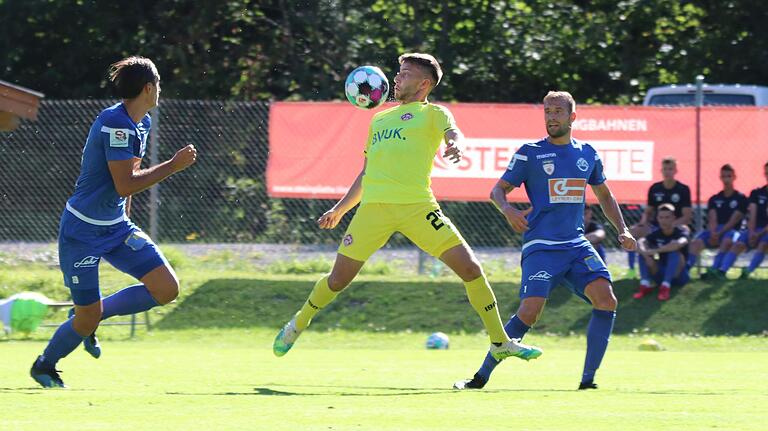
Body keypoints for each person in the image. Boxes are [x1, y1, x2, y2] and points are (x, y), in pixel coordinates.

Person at [272, 53, 540, 363]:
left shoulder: (434, 114)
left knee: (471, 269)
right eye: (398, 72)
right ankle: (298, 323)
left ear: (424, 83)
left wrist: (455, 145)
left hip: (418, 208)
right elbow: (366, 173)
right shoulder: (379, 118)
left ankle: (500, 342)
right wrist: (341, 209)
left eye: (406, 73)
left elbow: (454, 134)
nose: (397, 78)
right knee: (337, 281)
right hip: (373, 211)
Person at [30, 56, 197, 388]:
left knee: (166, 289)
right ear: (149, 88)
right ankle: (45, 366)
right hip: (82, 231)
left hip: (116, 227)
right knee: (86, 315)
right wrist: (173, 166)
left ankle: (93, 315)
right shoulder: (115, 123)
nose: (160, 89)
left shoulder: (142, 123)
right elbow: (125, 183)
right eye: (159, 83)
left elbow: (129, 178)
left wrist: (125, 218)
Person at [453, 91, 636, 391]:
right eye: (547, 112)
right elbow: (497, 191)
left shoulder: (587, 153)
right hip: (541, 246)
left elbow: (604, 195)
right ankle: (480, 377)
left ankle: (588, 382)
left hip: (576, 245)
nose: (551, 117)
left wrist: (623, 229)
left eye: (557, 112)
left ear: (572, 117)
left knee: (607, 299)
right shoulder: (530, 152)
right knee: (530, 312)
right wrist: (508, 210)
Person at [627, 158, 692, 278]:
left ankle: (684, 268)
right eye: (665, 169)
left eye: (670, 169)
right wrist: (642, 223)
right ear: (661, 171)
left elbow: (687, 216)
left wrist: (670, 226)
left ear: (675, 170)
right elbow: (648, 212)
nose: (667, 172)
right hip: (657, 226)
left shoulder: (683, 189)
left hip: (674, 226)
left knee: (686, 230)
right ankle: (631, 270)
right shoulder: (655, 188)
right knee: (631, 232)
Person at [687, 164, 747, 278]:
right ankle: (685, 270)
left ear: (734, 177)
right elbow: (712, 218)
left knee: (727, 241)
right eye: (724, 176)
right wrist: (713, 232)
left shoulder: (741, 198)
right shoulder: (714, 199)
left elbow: (734, 220)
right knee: (695, 243)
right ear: (720, 178)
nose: (726, 179)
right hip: (716, 230)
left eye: (729, 176)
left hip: (732, 231)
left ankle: (716, 271)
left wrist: (719, 233)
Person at [717, 161, 768, 278]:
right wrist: (751, 233)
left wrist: (759, 234)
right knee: (738, 244)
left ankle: (747, 272)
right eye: (766, 173)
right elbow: (752, 215)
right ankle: (722, 271)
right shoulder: (757, 193)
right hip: (754, 229)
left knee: (763, 244)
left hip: (765, 232)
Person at [634, 204, 690, 301]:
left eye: (667, 217)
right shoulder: (656, 233)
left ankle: (665, 287)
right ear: (658, 219)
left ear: (673, 218)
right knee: (642, 254)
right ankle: (645, 285)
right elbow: (639, 242)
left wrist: (654, 251)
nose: (664, 220)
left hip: (679, 276)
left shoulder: (681, 232)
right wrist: (646, 254)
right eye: (661, 217)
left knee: (674, 252)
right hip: (660, 273)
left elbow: (677, 244)